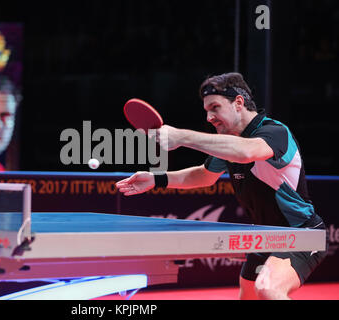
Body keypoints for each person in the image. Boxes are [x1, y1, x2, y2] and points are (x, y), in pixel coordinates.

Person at [116, 72, 328, 300]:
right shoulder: (230, 142)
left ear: (238, 103)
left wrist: (182, 137)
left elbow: (246, 152)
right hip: (266, 237)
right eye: (206, 110)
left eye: (215, 107)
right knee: (247, 295)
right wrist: (157, 178)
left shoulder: (274, 133)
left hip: (301, 233)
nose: (209, 117)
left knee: (268, 288)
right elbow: (203, 176)